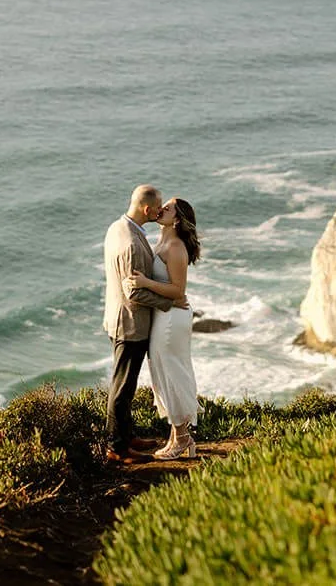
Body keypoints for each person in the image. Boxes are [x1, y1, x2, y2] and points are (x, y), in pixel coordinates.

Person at [102, 184, 181, 464]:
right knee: (122, 387)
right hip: (131, 324)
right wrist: (168, 303)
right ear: (147, 210)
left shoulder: (117, 227)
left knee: (127, 383)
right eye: (157, 208)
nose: (160, 212)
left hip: (116, 317)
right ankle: (117, 447)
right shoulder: (134, 243)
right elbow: (134, 292)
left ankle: (127, 434)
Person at [123, 196, 201, 459]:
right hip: (164, 315)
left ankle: (183, 439)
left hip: (171, 319)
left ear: (176, 219)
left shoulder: (176, 246)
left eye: (167, 208)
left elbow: (178, 291)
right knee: (162, 371)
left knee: (171, 372)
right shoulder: (163, 240)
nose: (161, 209)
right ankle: (177, 438)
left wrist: (144, 282)